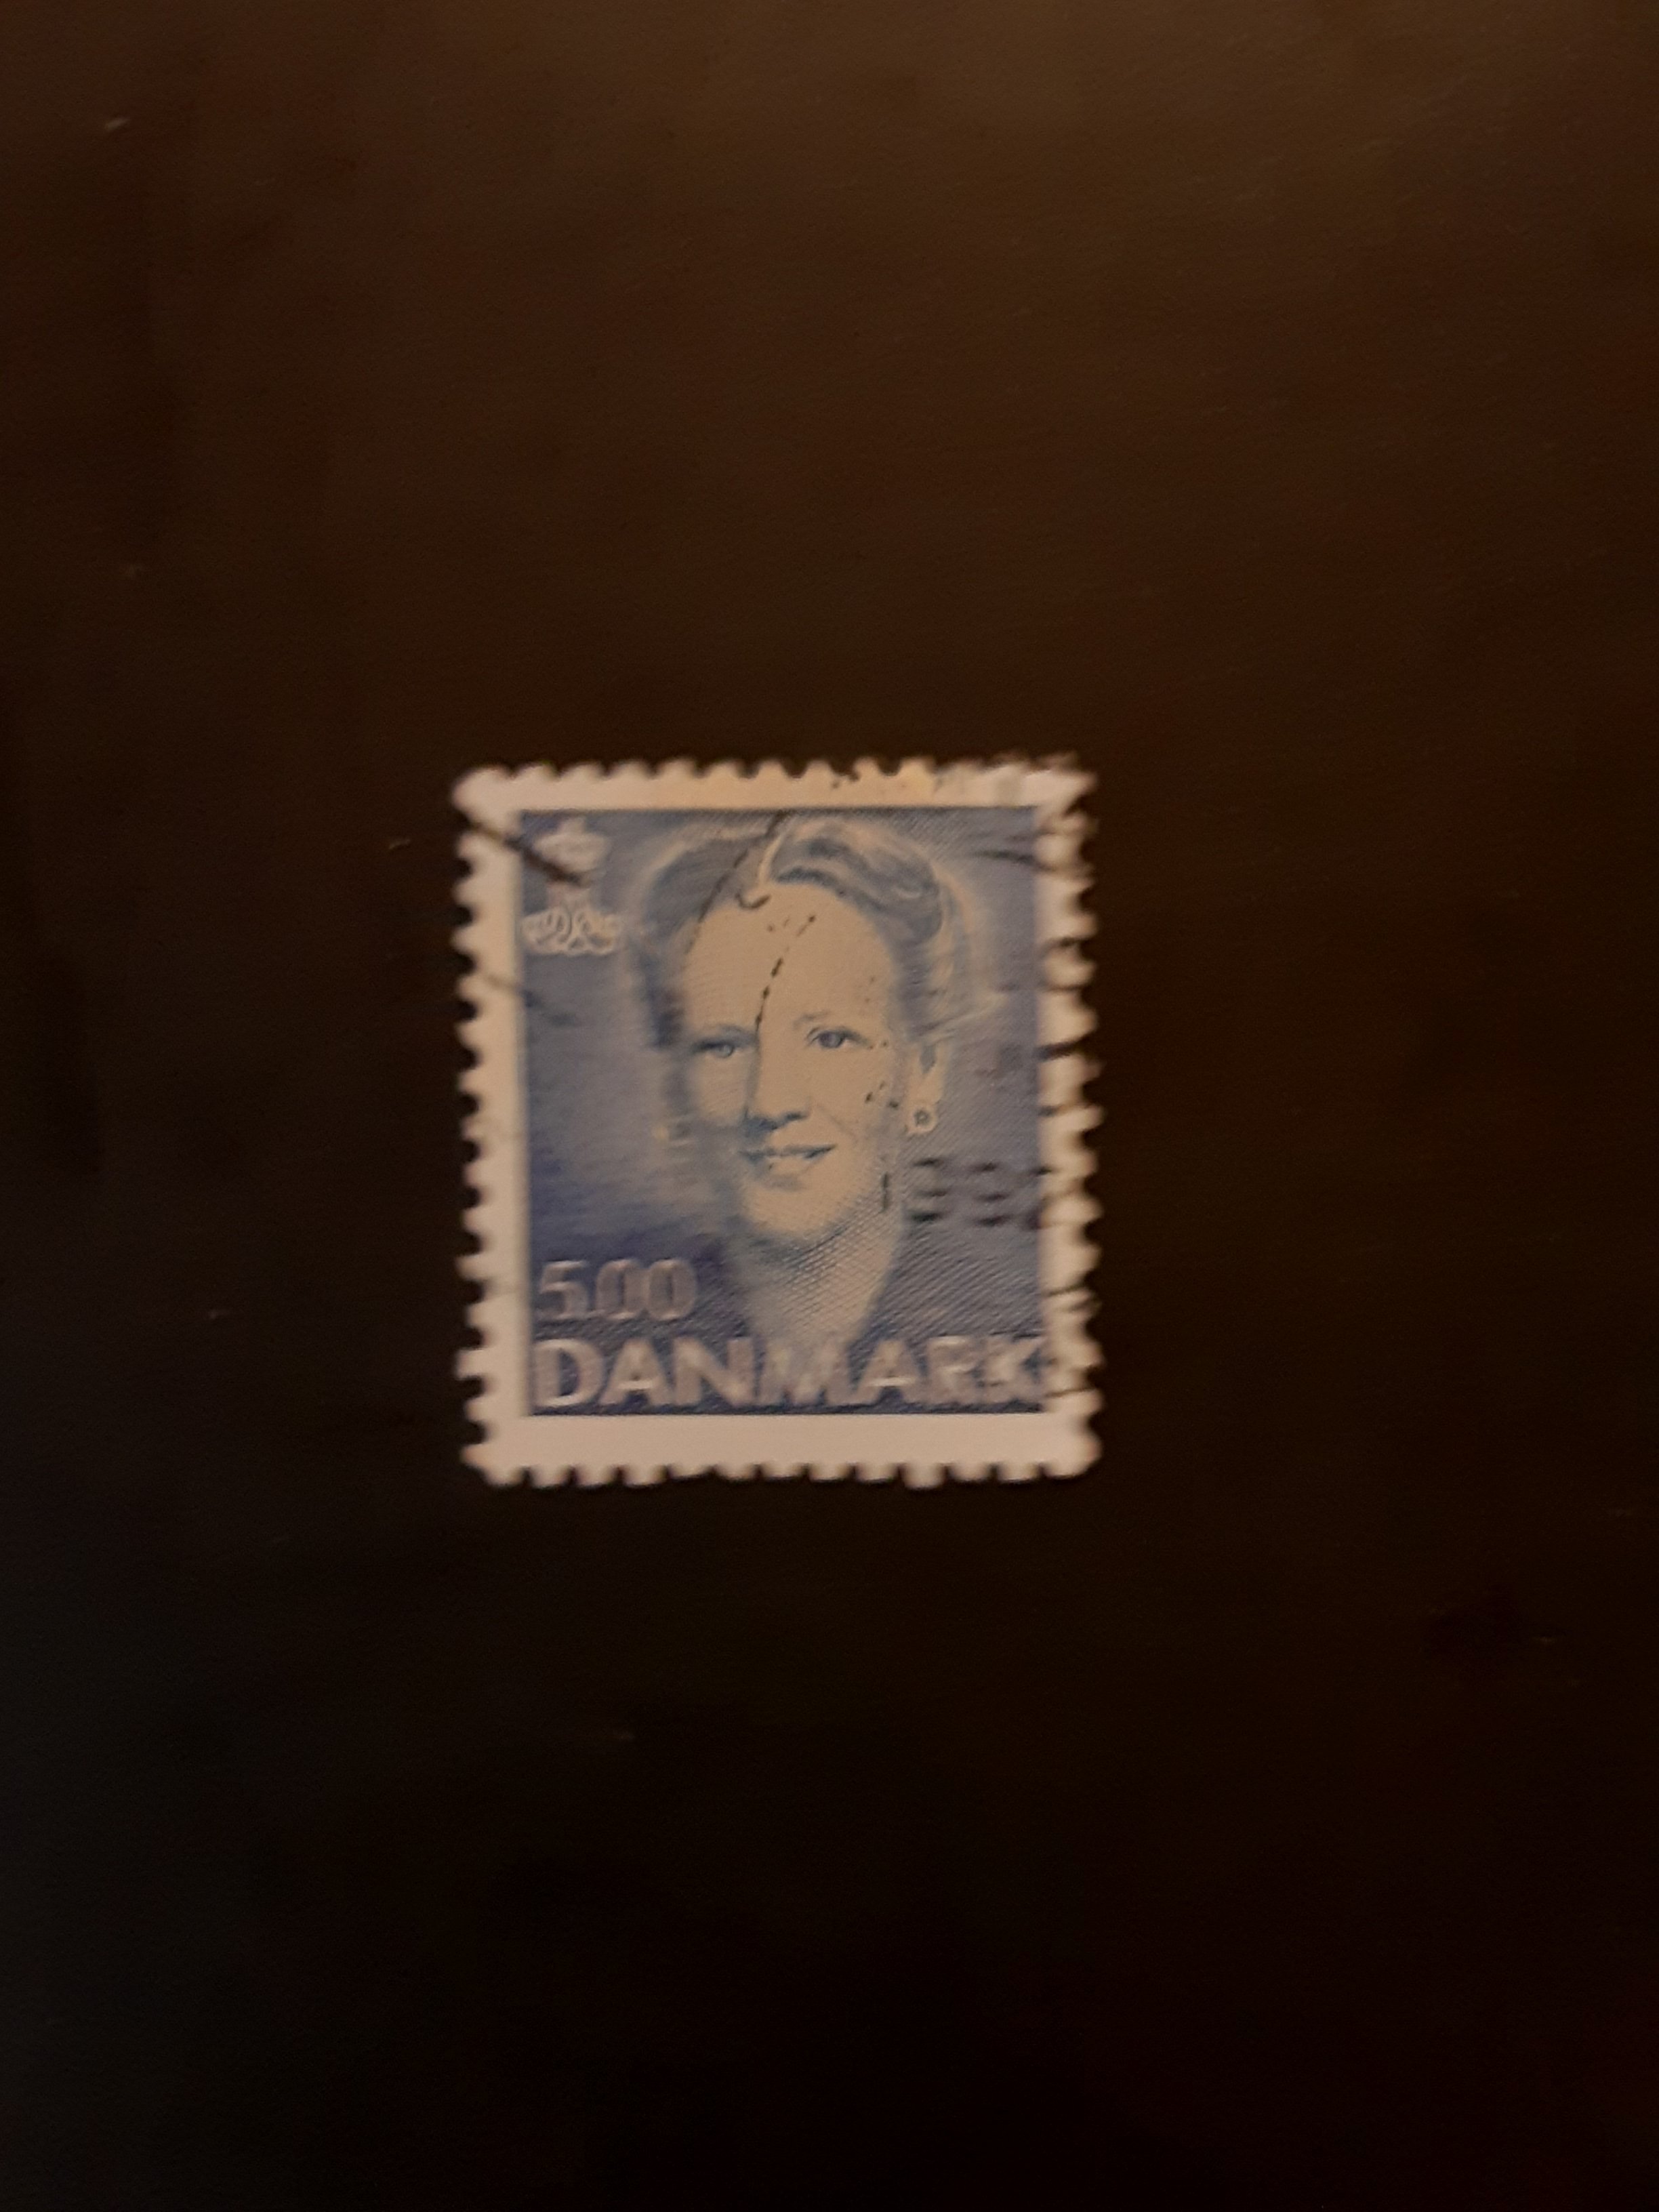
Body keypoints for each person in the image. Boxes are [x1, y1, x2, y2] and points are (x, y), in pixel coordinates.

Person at [632, 813, 975, 1358]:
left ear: (923, 1073)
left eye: (831, 1040)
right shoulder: (626, 1329)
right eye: (724, 1047)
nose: (771, 1102)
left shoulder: (1009, 1312)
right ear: (674, 1089)